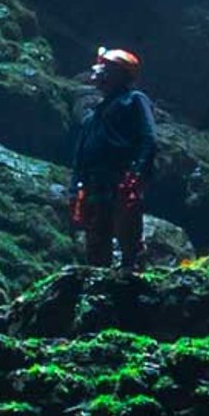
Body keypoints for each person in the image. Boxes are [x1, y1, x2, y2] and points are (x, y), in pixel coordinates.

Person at [67, 47, 156, 272]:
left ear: (119, 72)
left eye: (105, 67)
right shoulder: (93, 115)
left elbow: (148, 137)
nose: (98, 72)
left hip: (121, 177)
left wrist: (137, 173)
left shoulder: (134, 100)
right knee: (96, 237)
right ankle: (98, 281)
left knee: (128, 233)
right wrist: (76, 187)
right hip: (94, 182)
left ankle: (132, 277)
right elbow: (80, 157)